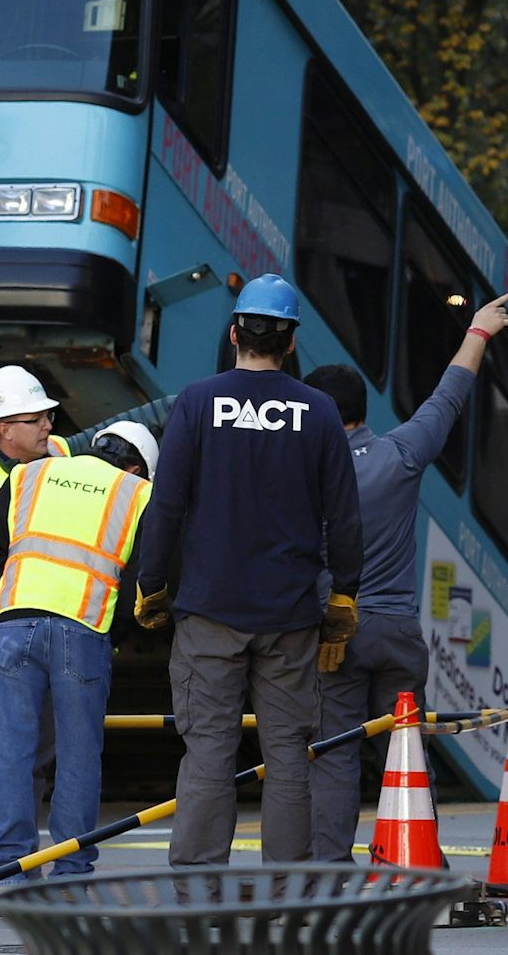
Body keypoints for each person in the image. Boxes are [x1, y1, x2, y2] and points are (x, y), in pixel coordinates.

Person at [134, 274, 364, 868]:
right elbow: (343, 516)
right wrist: (344, 594)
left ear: (235, 332)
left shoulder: (196, 402)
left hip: (209, 611)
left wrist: (152, 584)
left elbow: (167, 504)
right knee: (288, 756)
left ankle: (199, 894)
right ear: (289, 343)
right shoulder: (318, 413)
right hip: (289, 616)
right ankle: (286, 893)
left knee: (209, 752)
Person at [0, 366, 174, 889]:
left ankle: (2, 873)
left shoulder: (43, 465)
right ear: (1, 429)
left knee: (15, 754)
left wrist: (200, 399)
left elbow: (135, 420)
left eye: (47, 417)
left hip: (15, 634)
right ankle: (41, 871)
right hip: (32, 633)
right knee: (50, 751)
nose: (47, 426)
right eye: (34, 419)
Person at [303, 292, 508, 860]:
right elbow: (447, 399)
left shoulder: (305, 472)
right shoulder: (400, 454)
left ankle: (328, 869)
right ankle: (417, 858)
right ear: (361, 409)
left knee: (334, 752)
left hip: (336, 635)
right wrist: (478, 332)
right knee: (406, 748)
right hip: (397, 632)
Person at [0, 421, 159, 882]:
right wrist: (112, 632)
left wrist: (1, 616)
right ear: (137, 467)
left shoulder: (27, 475)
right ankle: (70, 873)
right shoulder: (137, 494)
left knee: (11, 751)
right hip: (84, 629)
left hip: (16, 623)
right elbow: (145, 581)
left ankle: (7, 874)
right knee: (78, 754)